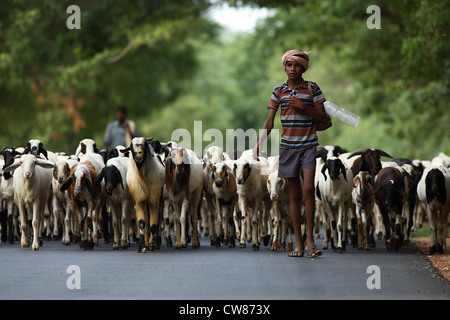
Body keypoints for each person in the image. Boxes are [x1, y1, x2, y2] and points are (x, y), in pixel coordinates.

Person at [253, 50, 330, 258]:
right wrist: (259, 143)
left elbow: (323, 118)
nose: (293, 69)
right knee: (294, 195)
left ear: (303, 68)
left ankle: (310, 240)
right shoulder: (278, 91)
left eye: (296, 66)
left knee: (307, 189)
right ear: (284, 67)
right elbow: (269, 122)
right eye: (289, 65)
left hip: (308, 146)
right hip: (287, 148)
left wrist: (304, 107)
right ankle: (298, 242)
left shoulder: (312, 88)